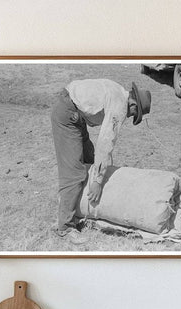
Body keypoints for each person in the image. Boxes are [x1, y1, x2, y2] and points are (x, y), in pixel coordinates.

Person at [51, 78, 151, 244]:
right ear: (133, 105)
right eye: (133, 114)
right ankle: (65, 227)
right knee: (74, 172)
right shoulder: (120, 105)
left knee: (89, 158)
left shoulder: (119, 91)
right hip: (68, 115)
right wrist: (98, 181)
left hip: (75, 113)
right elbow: (105, 144)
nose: (129, 116)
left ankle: (79, 208)